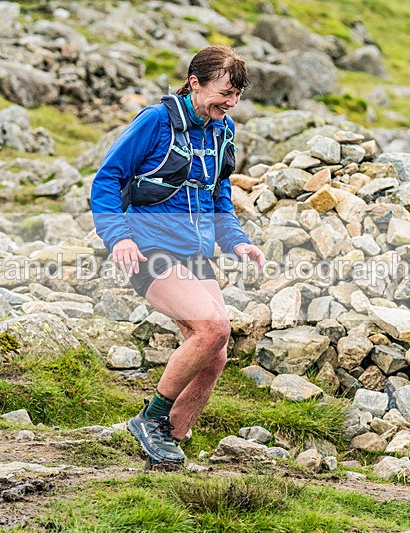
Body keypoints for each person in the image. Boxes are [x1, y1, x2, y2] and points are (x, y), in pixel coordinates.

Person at [90, 45, 265, 467]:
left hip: (197, 253)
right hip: (150, 247)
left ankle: (169, 443)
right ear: (194, 83)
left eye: (237, 95)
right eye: (225, 92)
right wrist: (119, 239)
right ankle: (151, 420)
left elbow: (219, 198)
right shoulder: (156, 121)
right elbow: (106, 180)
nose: (232, 102)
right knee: (212, 326)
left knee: (215, 350)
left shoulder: (222, 130)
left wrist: (237, 241)